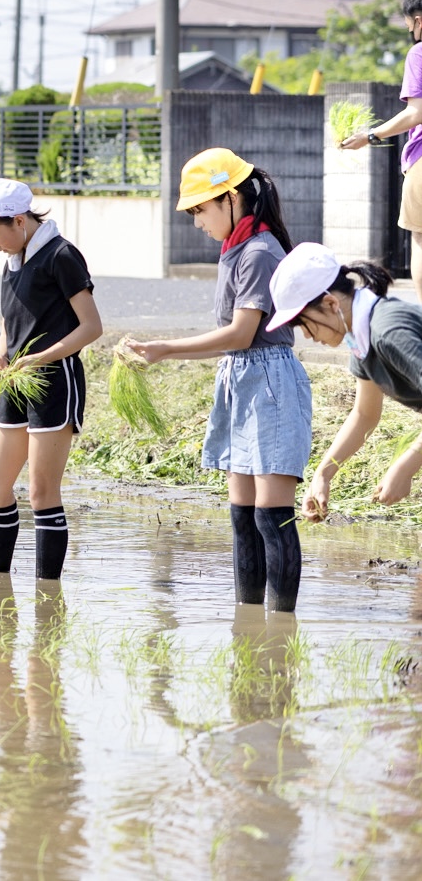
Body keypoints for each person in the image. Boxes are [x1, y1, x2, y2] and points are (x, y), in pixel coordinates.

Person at [128, 150, 309, 613]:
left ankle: (280, 632)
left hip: (270, 384)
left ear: (230, 197)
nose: (197, 222)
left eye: (200, 210)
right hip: (240, 380)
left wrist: (167, 348)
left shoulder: (260, 251)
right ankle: (248, 629)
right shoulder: (235, 247)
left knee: (272, 516)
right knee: (242, 518)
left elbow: (241, 333)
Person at [0, 178, 103, 580]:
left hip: (55, 381)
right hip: (18, 383)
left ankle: (46, 595)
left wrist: (40, 358)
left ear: (19, 221)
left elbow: (92, 327)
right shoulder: (13, 260)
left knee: (42, 493)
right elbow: (11, 321)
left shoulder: (61, 255)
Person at [269, 243, 422, 519]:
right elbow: (365, 414)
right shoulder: (361, 338)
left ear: (331, 304)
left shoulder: (388, 332)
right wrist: (322, 476)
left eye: (304, 323)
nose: (307, 336)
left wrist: (406, 465)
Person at [339, 0, 422, 285]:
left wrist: (370, 136)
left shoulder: (419, 53)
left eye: (409, 25)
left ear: (418, 21)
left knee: (421, 239)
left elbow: (416, 113)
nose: (410, 32)